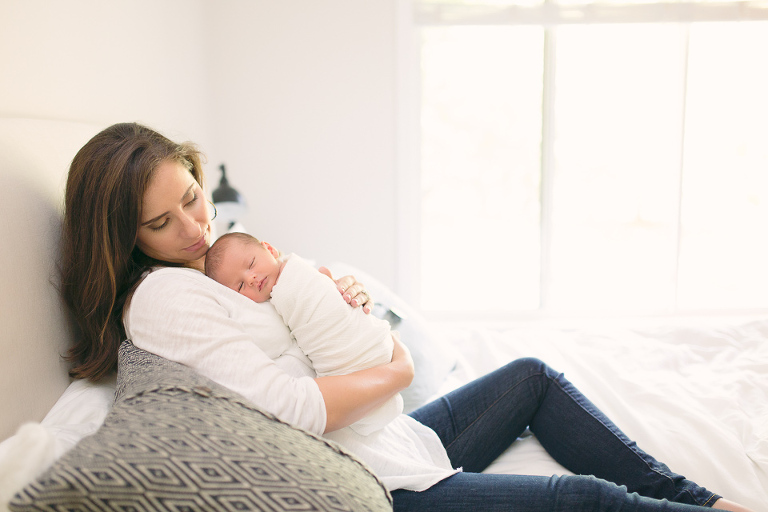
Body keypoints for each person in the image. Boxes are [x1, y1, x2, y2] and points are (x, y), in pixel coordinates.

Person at [60, 122, 754, 512]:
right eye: (161, 220)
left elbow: (296, 343)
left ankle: (707, 503)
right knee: (582, 501)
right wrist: (398, 367)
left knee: (530, 378)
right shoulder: (162, 300)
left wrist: (343, 313)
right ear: (121, 236)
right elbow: (292, 407)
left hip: (384, 444)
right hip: (376, 486)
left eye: (192, 195)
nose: (194, 226)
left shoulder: (207, 267)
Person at [204, 231, 403, 436]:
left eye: (251, 264)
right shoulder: (268, 309)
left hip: (376, 346)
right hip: (363, 378)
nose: (251, 278)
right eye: (240, 285)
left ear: (270, 249)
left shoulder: (298, 272)